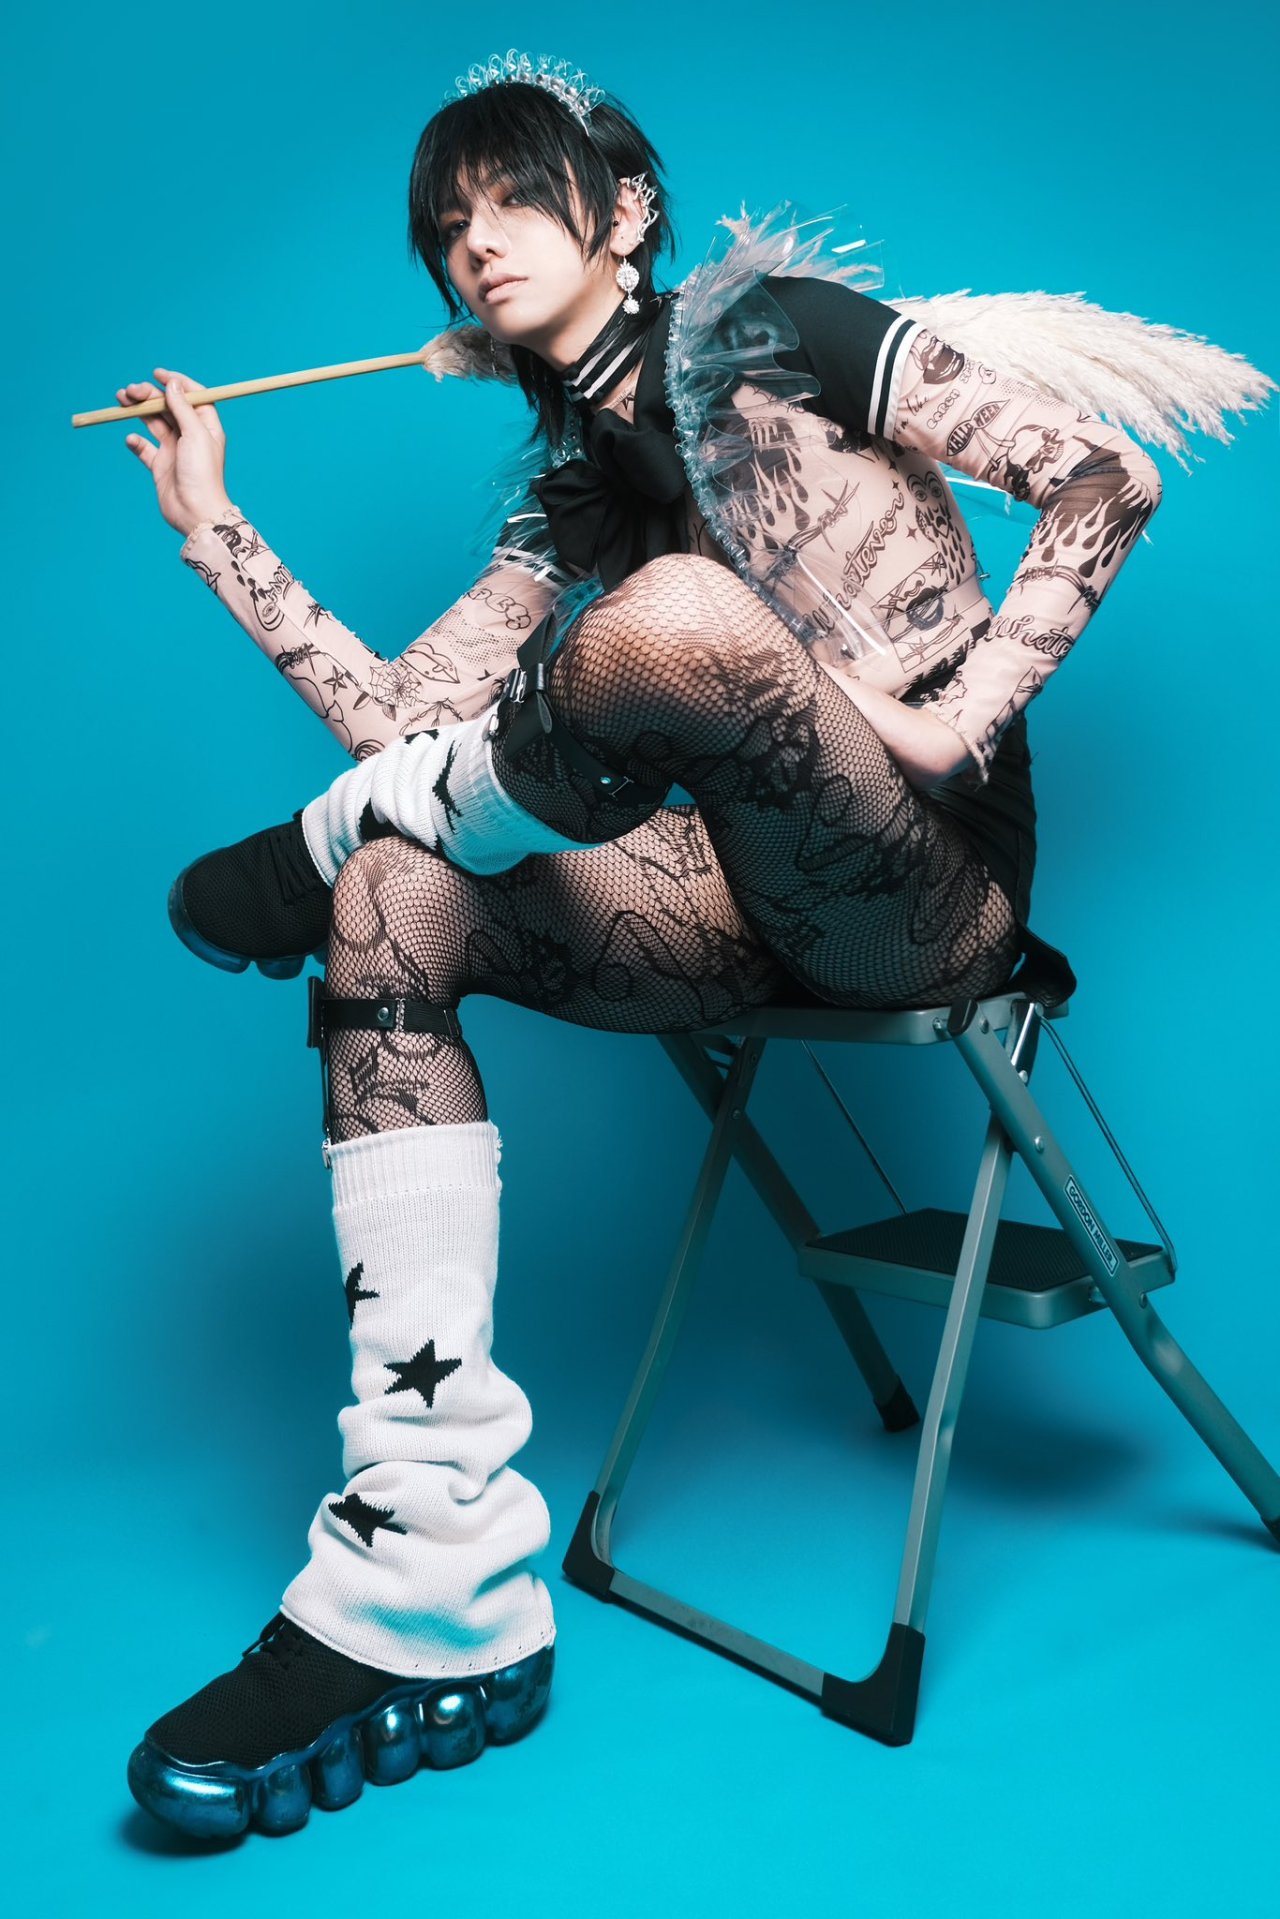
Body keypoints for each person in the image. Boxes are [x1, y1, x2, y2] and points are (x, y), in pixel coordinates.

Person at [118, 52, 1169, 1839]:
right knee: (393, 890)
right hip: (729, 900)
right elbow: (399, 724)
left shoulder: (789, 333)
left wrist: (958, 719)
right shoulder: (568, 500)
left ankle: (326, 844)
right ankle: (427, 1578)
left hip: (920, 894)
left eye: (510, 199)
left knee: (676, 617)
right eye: (446, 231)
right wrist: (216, 527)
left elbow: (1104, 474)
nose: (475, 245)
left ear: (627, 213)